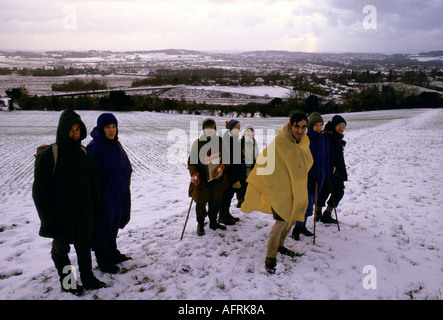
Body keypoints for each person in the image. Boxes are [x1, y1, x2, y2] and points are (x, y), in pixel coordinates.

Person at [33, 109, 106, 295]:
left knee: (83, 248)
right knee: (60, 251)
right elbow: (40, 192)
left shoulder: (83, 153)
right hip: (60, 217)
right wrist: (48, 221)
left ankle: (88, 279)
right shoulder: (50, 154)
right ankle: (69, 282)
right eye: (70, 130)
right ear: (62, 130)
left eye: (77, 130)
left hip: (83, 214)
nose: (74, 134)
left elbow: (93, 183)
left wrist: (96, 207)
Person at [241, 110, 313, 274]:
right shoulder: (280, 142)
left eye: (303, 127)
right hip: (280, 192)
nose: (300, 131)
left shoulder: (301, 141)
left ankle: (280, 245)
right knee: (281, 222)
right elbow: (264, 162)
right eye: (297, 127)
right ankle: (270, 257)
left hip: (296, 189)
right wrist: (271, 183)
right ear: (290, 125)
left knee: (292, 219)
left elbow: (303, 162)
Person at [86, 113, 133, 274]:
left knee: (113, 225)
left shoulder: (115, 144)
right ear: (101, 128)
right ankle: (103, 260)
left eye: (113, 126)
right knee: (102, 229)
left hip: (118, 194)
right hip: (104, 197)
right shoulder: (96, 148)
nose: (111, 130)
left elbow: (124, 166)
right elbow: (92, 177)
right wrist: (99, 198)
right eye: (107, 127)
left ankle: (112, 253)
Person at [188, 118, 230, 236]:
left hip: (218, 178)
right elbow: (191, 162)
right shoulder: (198, 143)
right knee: (200, 202)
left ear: (215, 129)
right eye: (207, 128)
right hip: (202, 179)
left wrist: (222, 167)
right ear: (203, 130)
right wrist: (194, 174)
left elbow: (227, 158)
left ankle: (213, 222)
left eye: (211, 128)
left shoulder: (221, 142)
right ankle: (200, 224)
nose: (209, 130)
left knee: (215, 201)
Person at [291, 112, 329, 240]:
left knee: (311, 204)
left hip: (320, 177)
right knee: (304, 204)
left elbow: (325, 157)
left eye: (321, 125)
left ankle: (303, 226)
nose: (319, 127)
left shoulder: (323, 139)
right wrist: (308, 173)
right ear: (311, 126)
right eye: (317, 125)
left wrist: (326, 172)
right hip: (307, 178)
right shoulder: (305, 139)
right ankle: (297, 227)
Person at [316, 115, 348, 224]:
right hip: (330, 170)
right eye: (339, 126)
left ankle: (322, 213)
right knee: (333, 191)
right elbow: (324, 154)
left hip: (335, 170)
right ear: (335, 125)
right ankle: (322, 214)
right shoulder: (328, 136)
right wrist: (330, 167)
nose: (341, 128)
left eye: (343, 126)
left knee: (331, 190)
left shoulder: (334, 136)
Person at [219, 119, 243, 225]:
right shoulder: (228, 140)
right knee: (226, 195)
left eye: (239, 128)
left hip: (234, 174)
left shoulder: (234, 139)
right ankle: (222, 216)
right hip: (228, 174)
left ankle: (226, 213)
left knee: (229, 196)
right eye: (236, 128)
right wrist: (234, 179)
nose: (238, 130)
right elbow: (229, 162)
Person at [237, 124, 259, 208]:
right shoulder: (241, 141)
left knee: (249, 184)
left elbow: (256, 152)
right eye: (247, 131)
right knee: (241, 184)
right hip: (243, 166)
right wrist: (242, 154)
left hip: (251, 166)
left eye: (251, 131)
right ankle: (240, 200)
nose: (249, 133)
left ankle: (248, 200)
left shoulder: (254, 142)